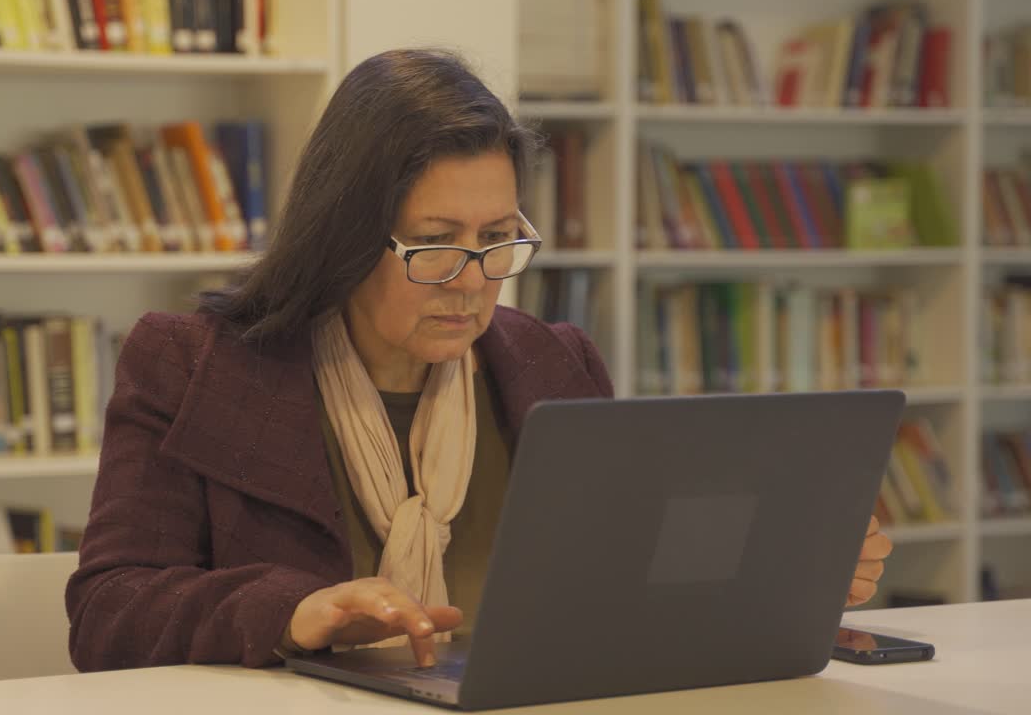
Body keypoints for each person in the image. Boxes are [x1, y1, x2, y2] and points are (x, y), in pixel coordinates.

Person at [64, 48, 892, 672]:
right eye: (433, 245)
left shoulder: (554, 366)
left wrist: (792, 584)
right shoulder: (191, 363)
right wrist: (296, 610)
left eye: (498, 241)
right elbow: (110, 612)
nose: (472, 283)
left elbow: (629, 598)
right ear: (346, 236)